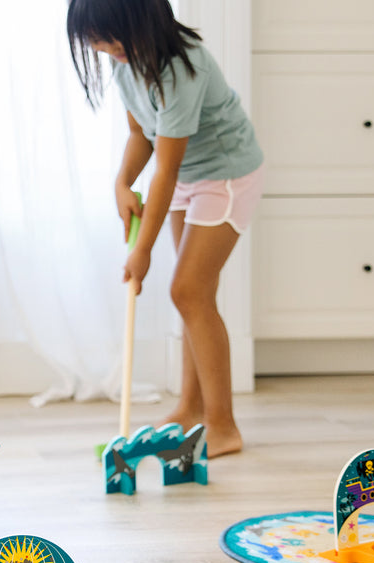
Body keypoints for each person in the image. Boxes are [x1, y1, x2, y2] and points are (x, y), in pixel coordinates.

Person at [67, 0, 264, 458]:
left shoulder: (180, 68)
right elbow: (142, 135)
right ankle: (190, 407)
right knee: (192, 294)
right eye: (100, 46)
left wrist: (142, 251)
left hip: (226, 172)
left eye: (111, 42)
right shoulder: (126, 62)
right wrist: (121, 182)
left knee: (188, 291)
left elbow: (167, 169)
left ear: (141, 23)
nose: (106, 53)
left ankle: (223, 426)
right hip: (187, 174)